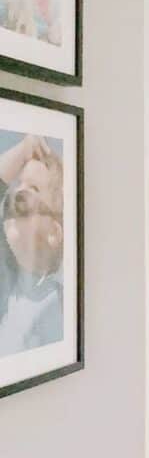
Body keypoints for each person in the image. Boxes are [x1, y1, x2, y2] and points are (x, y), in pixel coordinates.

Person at [0, 133, 64, 356]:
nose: (18, 192)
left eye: (34, 190)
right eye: (18, 185)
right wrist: (24, 149)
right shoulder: (5, 281)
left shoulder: (60, 304)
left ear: (55, 233)